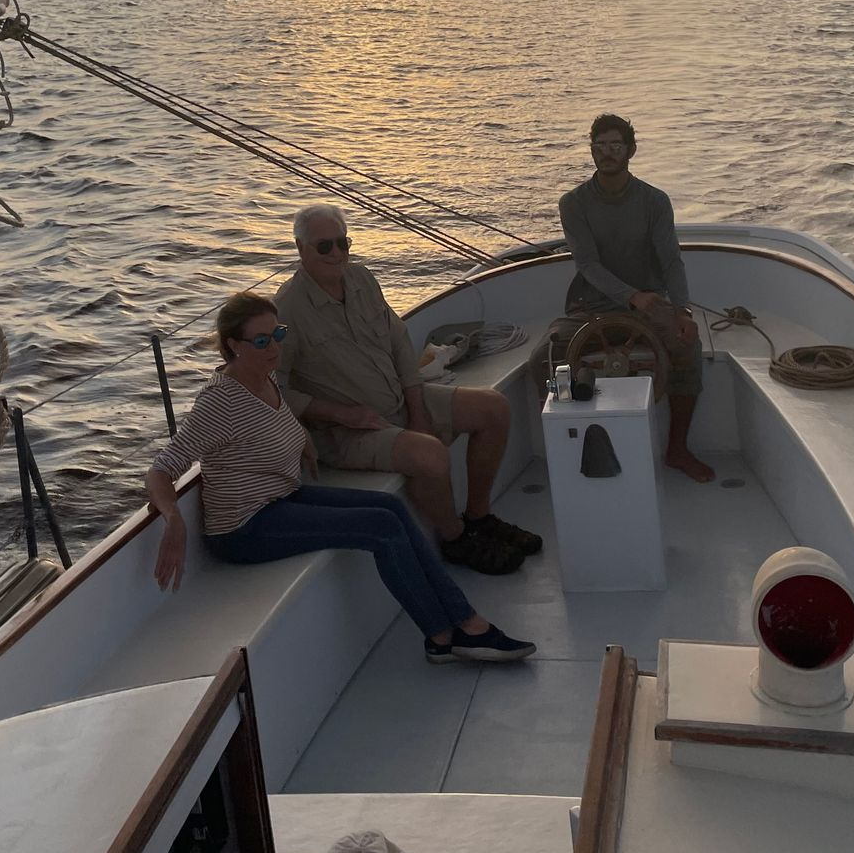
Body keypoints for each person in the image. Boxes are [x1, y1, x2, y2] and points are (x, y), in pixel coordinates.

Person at [146, 292, 535, 665]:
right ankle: (450, 631)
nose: (274, 348)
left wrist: (301, 441)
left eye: (278, 334)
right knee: (380, 526)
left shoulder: (265, 376)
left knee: (390, 507)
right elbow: (162, 469)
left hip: (281, 497)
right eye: (262, 340)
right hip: (243, 528)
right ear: (233, 345)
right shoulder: (220, 401)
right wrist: (174, 519)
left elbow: (269, 425)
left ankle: (457, 626)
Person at [276, 203, 539, 575]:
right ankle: (455, 538)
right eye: (324, 247)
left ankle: (479, 516)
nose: (336, 254)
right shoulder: (285, 311)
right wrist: (342, 414)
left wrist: (416, 410)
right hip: (348, 430)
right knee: (429, 455)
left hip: (398, 400)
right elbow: (275, 388)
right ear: (301, 249)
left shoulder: (362, 279)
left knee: (494, 408)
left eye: (343, 244)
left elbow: (399, 343)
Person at [552, 114, 711, 481]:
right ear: (591, 151)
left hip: (650, 303)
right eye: (599, 146)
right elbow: (587, 264)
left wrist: (682, 309)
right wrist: (631, 297)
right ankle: (569, 454)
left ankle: (678, 449)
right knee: (541, 360)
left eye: (615, 145)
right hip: (589, 305)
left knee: (687, 345)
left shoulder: (654, 201)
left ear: (630, 151)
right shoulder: (573, 203)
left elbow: (671, 260)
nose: (607, 153)